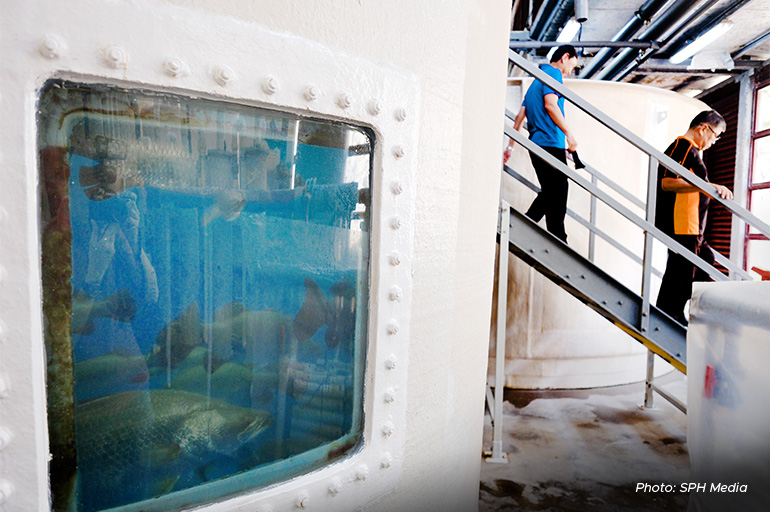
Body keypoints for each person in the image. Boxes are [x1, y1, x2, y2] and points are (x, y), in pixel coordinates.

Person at [655, 110, 733, 325]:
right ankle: (671, 315)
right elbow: (667, 182)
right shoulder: (683, 145)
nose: (714, 142)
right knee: (681, 272)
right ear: (703, 128)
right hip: (683, 224)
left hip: (692, 225)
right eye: (715, 136)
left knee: (705, 261)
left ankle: (686, 312)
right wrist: (709, 186)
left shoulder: (693, 151)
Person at [510, 44, 579, 243]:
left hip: (539, 144)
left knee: (553, 190)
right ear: (566, 57)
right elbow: (551, 104)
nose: (570, 71)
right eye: (572, 66)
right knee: (557, 190)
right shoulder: (554, 74)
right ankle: (548, 234)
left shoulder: (536, 81)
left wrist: (510, 146)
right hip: (550, 143)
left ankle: (552, 235)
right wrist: (569, 134)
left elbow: (519, 117)